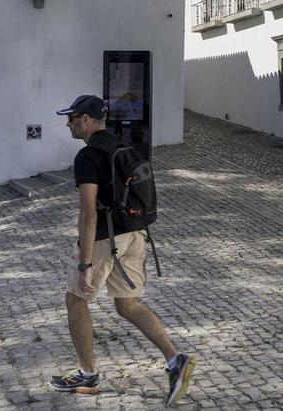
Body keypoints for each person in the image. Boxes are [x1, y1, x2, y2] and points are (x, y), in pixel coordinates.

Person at [48, 94, 195, 405]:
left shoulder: (88, 156)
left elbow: (88, 212)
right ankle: (175, 360)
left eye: (72, 118)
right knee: (127, 305)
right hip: (135, 235)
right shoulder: (124, 147)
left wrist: (85, 263)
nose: (68, 123)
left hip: (105, 239)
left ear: (86, 120)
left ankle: (87, 372)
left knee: (75, 300)